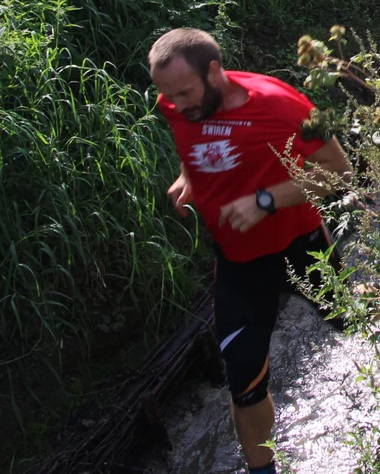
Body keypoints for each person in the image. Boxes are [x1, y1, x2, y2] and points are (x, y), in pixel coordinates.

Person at [148, 28, 353, 474]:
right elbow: (191, 133)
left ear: (215, 72)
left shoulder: (284, 104)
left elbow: (341, 172)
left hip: (303, 249)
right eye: (167, 94)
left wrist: (265, 200)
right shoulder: (177, 102)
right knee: (244, 384)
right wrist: (190, 176)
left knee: (359, 323)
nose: (176, 104)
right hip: (239, 264)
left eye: (184, 92)